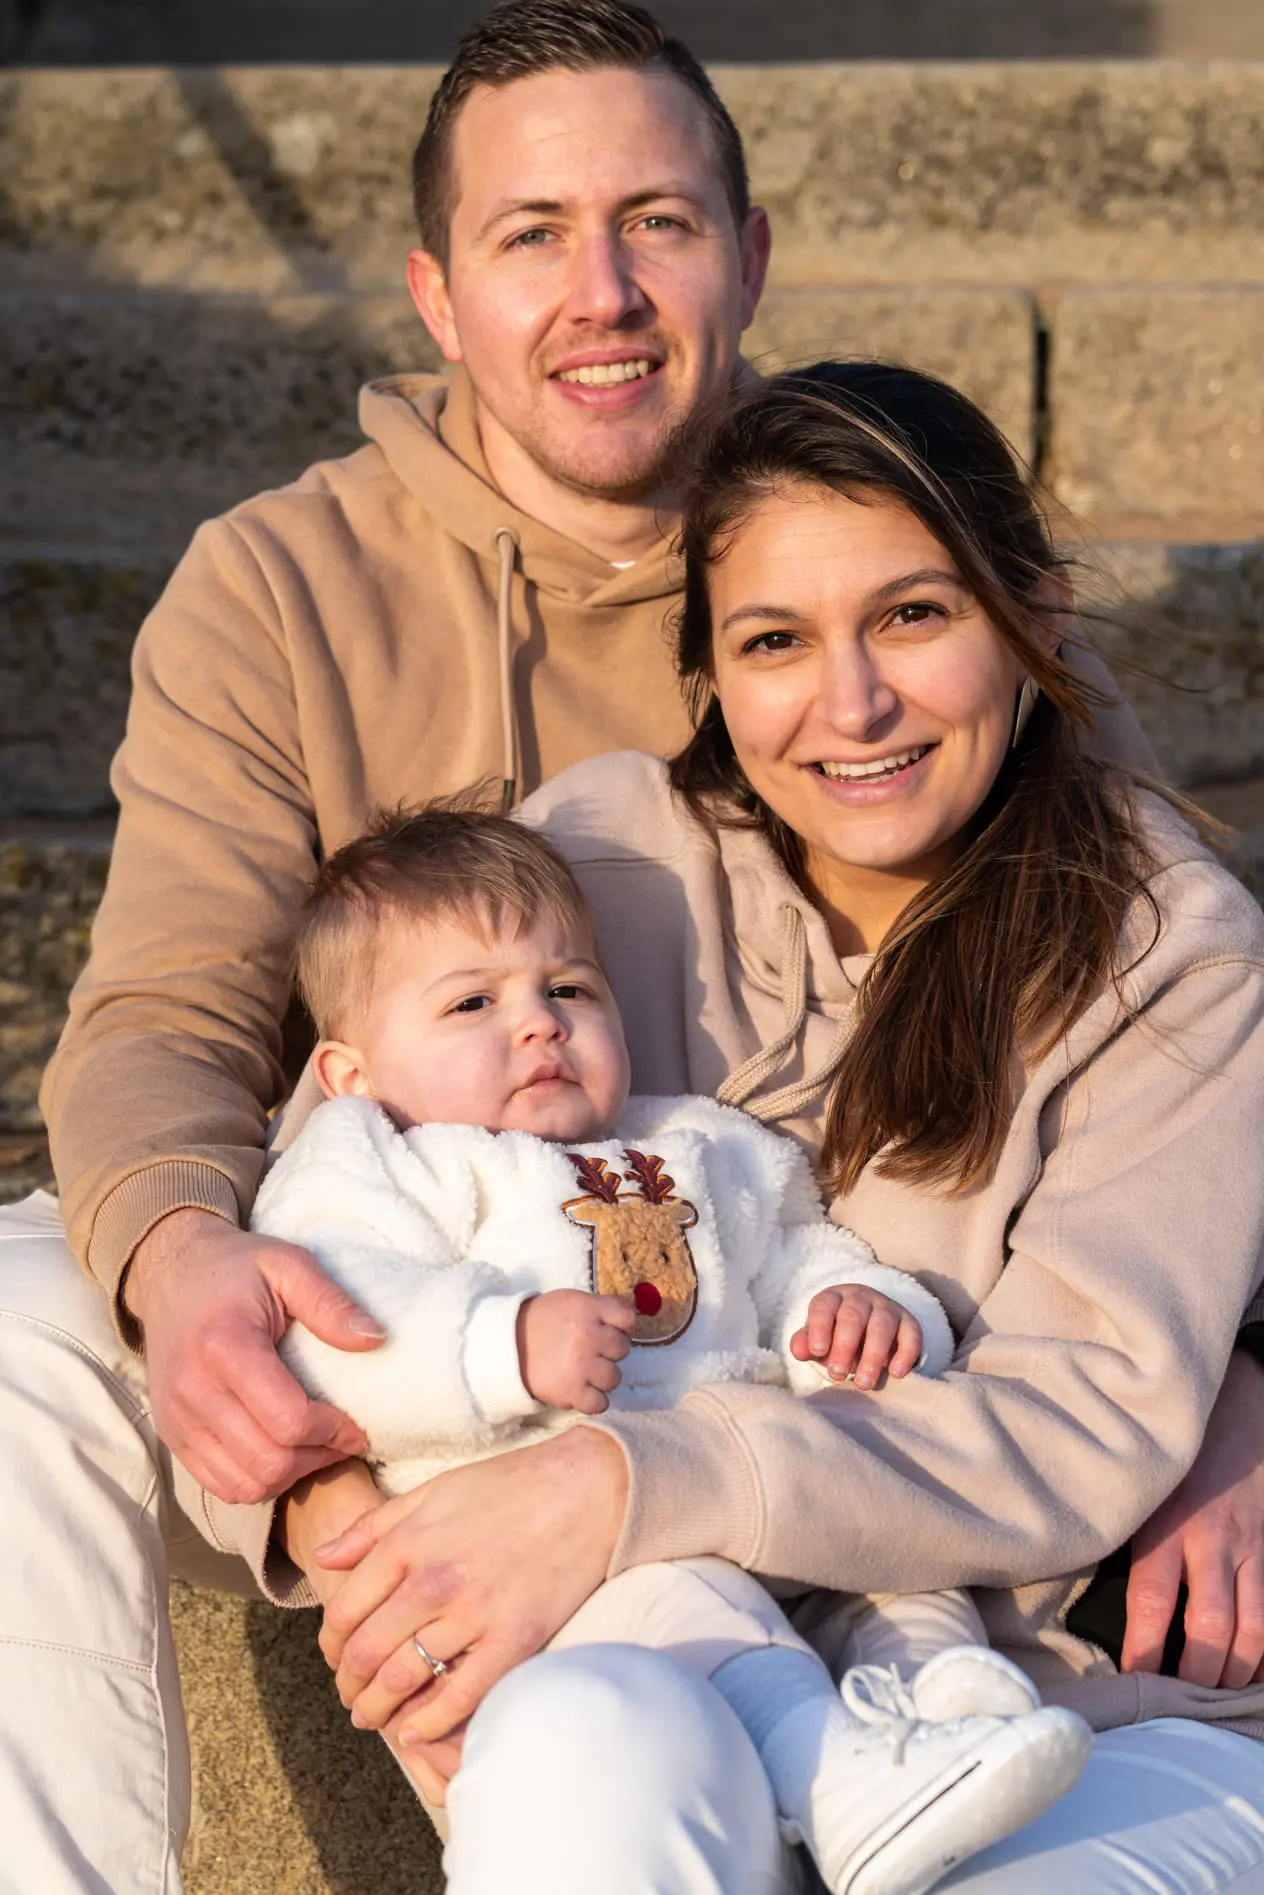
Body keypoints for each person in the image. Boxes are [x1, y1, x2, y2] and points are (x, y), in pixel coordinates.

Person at [0, 0, 1259, 1884]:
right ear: (435, 291)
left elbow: (1142, 968)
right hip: (416, 1254)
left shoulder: (882, 532)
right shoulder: (298, 603)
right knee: (26, 1306)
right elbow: (166, 1017)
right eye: (530, 235)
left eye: (655, 222)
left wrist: (1222, 1363)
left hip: (769, 1375)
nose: (600, 289)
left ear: (744, 259)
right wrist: (224, 1311)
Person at [275, 363, 1264, 1895]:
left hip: (1067, 1702)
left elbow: (1079, 1425)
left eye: (916, 616)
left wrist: (620, 1477)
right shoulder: (603, 855)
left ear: (1037, 615)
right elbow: (326, 1219)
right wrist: (349, 1510)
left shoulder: (1170, 954)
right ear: (712, 672)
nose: (850, 703)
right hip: (666, 1640)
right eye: (775, 641)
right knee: (581, 1734)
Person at [257, 797, 1091, 1895]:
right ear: (350, 1072)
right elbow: (335, 1328)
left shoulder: (694, 1138)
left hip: (758, 1483)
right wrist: (499, 1342)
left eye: (570, 987)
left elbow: (796, 1248)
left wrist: (860, 1308)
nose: (540, 1022)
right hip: (557, 1554)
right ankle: (834, 1772)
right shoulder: (378, 1163)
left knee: (892, 1562)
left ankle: (943, 1712)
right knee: (687, 1593)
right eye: (472, 1001)